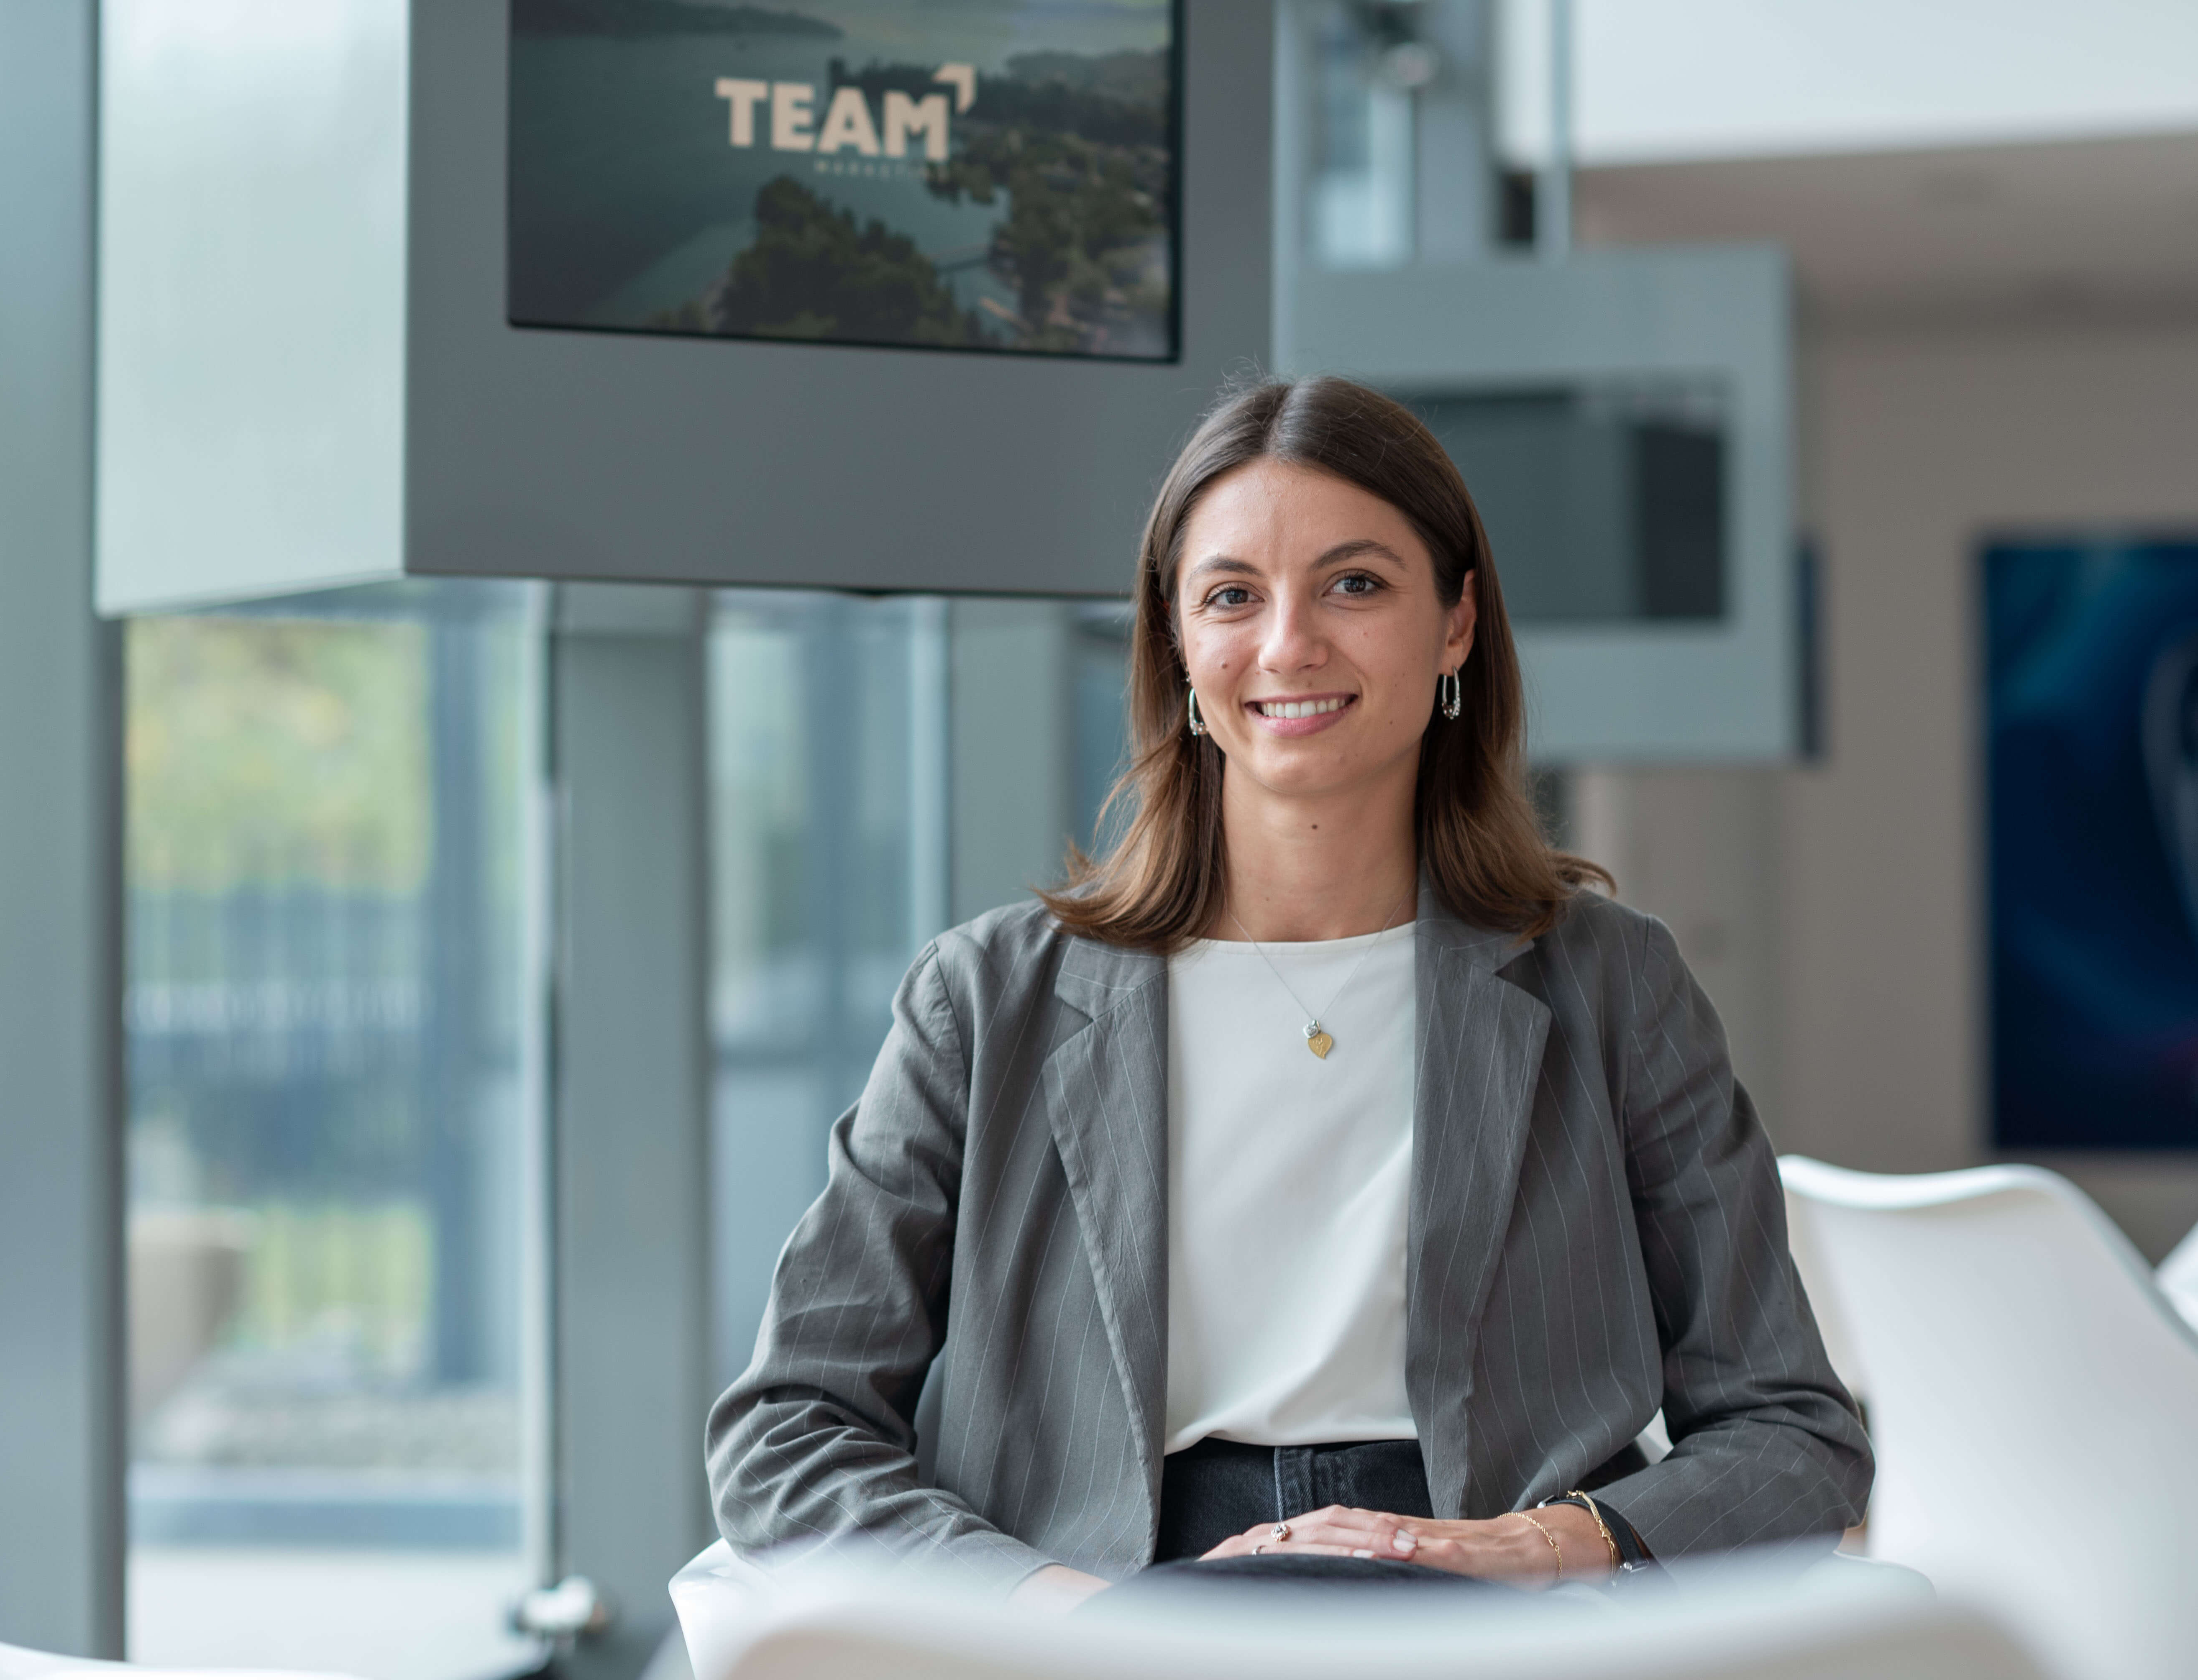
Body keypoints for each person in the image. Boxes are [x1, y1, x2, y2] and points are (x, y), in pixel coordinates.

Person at [706, 376, 1871, 1609]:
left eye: (1355, 584)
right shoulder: (984, 999)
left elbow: (1796, 1435)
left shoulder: (1612, 985)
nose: (1288, 645)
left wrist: (1536, 1545)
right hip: (1114, 1594)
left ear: (1458, 622)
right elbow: (788, 1431)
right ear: (1174, 641)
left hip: (1492, 1606)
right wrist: (1060, 1608)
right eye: (1231, 597)